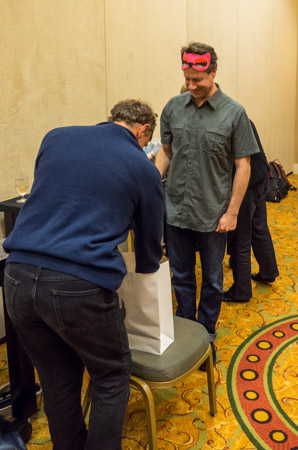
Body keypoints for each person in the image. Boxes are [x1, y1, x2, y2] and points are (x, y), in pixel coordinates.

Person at [3, 99, 164, 450]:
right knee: (110, 376)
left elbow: (53, 196)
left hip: (15, 275)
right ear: (144, 132)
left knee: (58, 378)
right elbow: (151, 248)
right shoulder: (143, 167)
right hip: (78, 287)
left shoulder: (56, 137)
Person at [155, 41, 259, 368]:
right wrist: (147, 185)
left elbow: (244, 165)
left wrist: (232, 213)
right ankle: (185, 330)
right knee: (181, 276)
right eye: (186, 79)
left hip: (215, 213)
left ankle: (205, 335)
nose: (190, 85)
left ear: (213, 71)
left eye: (197, 79)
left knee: (212, 280)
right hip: (176, 210)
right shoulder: (173, 107)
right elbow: (166, 152)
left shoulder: (234, 113)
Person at [224, 121, 279, 303]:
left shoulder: (220, 119)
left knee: (241, 236)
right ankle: (268, 272)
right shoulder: (237, 113)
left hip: (245, 179)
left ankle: (241, 291)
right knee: (259, 227)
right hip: (261, 173)